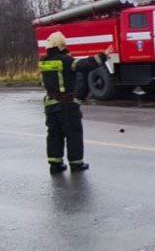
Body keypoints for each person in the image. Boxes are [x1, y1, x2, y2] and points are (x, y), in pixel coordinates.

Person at [39, 31, 106, 174]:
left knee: (54, 135)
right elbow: (84, 64)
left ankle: (55, 165)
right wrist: (102, 57)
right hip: (67, 105)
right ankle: (76, 164)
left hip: (50, 105)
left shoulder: (43, 61)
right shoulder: (66, 60)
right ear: (61, 45)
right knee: (73, 134)